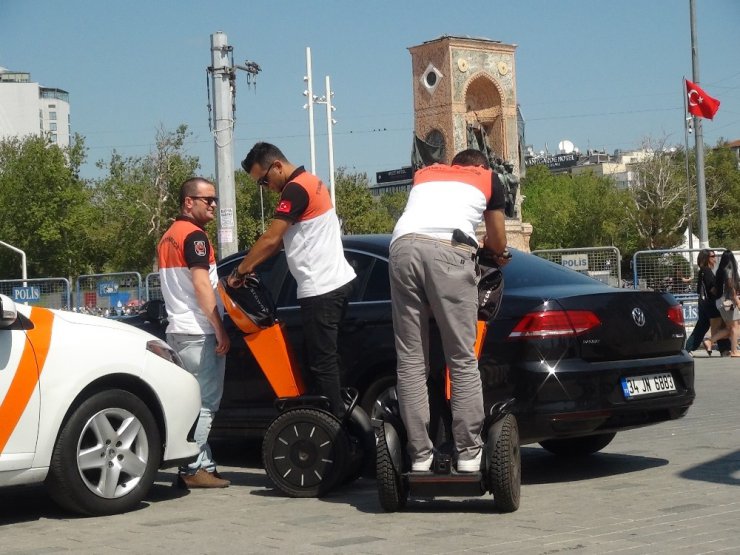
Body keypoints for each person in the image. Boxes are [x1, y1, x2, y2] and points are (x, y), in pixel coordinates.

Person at [389, 149, 509, 473]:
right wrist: (491, 251)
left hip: (401, 248)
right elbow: (498, 241)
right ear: (481, 167)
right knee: (461, 358)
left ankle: (419, 456)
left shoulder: (425, 174)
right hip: (449, 252)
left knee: (412, 360)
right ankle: (469, 455)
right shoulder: (488, 179)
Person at [229, 142, 356, 417]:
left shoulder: (295, 189)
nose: (266, 188)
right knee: (331, 362)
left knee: (322, 367)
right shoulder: (312, 181)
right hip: (336, 282)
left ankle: (338, 433)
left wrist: (240, 272)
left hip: (321, 288)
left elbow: (271, 239)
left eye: (263, 180)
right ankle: (344, 424)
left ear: (276, 166)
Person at [158, 177, 231, 488]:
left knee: (191, 403)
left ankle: (203, 464)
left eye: (214, 199)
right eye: (207, 199)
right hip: (200, 332)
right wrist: (219, 327)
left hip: (179, 330)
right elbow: (202, 286)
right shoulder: (195, 237)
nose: (213, 204)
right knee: (206, 405)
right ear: (189, 202)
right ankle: (191, 469)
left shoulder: (168, 237)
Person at [685, 250, 726, 355]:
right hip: (711, 303)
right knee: (720, 325)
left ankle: (687, 349)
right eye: (712, 256)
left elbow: (700, 289)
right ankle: (724, 349)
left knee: (702, 326)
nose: (715, 258)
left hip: (703, 303)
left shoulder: (702, 271)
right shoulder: (707, 271)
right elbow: (712, 289)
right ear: (707, 258)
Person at [704, 250, 740, 357]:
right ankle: (734, 350)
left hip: (720, 302)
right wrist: (736, 299)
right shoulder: (729, 270)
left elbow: (714, 289)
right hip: (728, 302)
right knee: (734, 327)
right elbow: (731, 285)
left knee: (731, 328)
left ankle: (710, 341)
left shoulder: (719, 271)